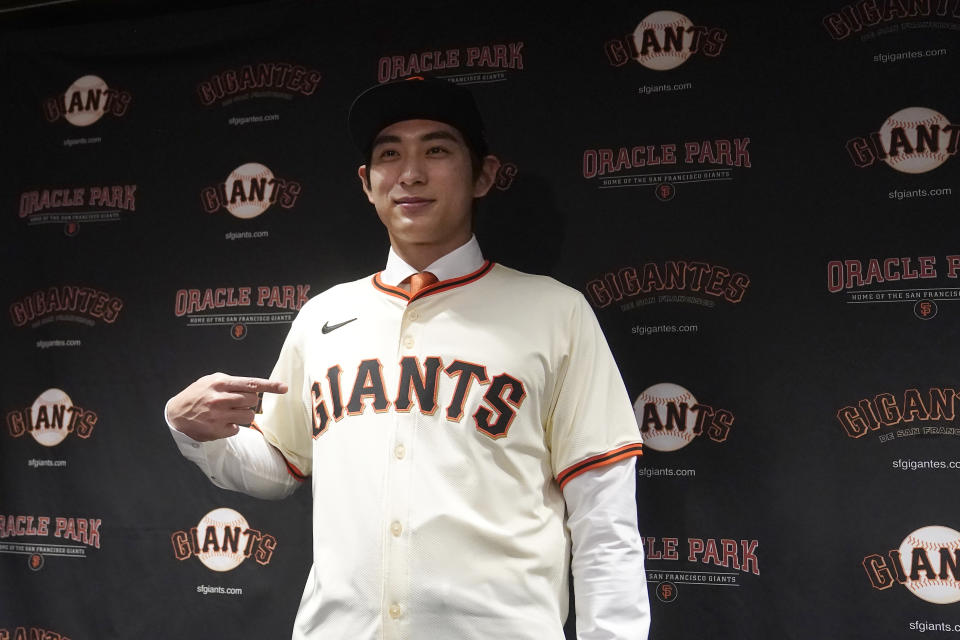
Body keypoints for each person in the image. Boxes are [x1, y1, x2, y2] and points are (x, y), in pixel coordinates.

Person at [166, 77, 650, 640]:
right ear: (366, 183)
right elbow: (282, 463)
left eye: (436, 150)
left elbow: (604, 521)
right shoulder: (323, 316)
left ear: (484, 174)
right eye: (389, 154)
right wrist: (196, 435)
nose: (410, 173)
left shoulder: (556, 312)